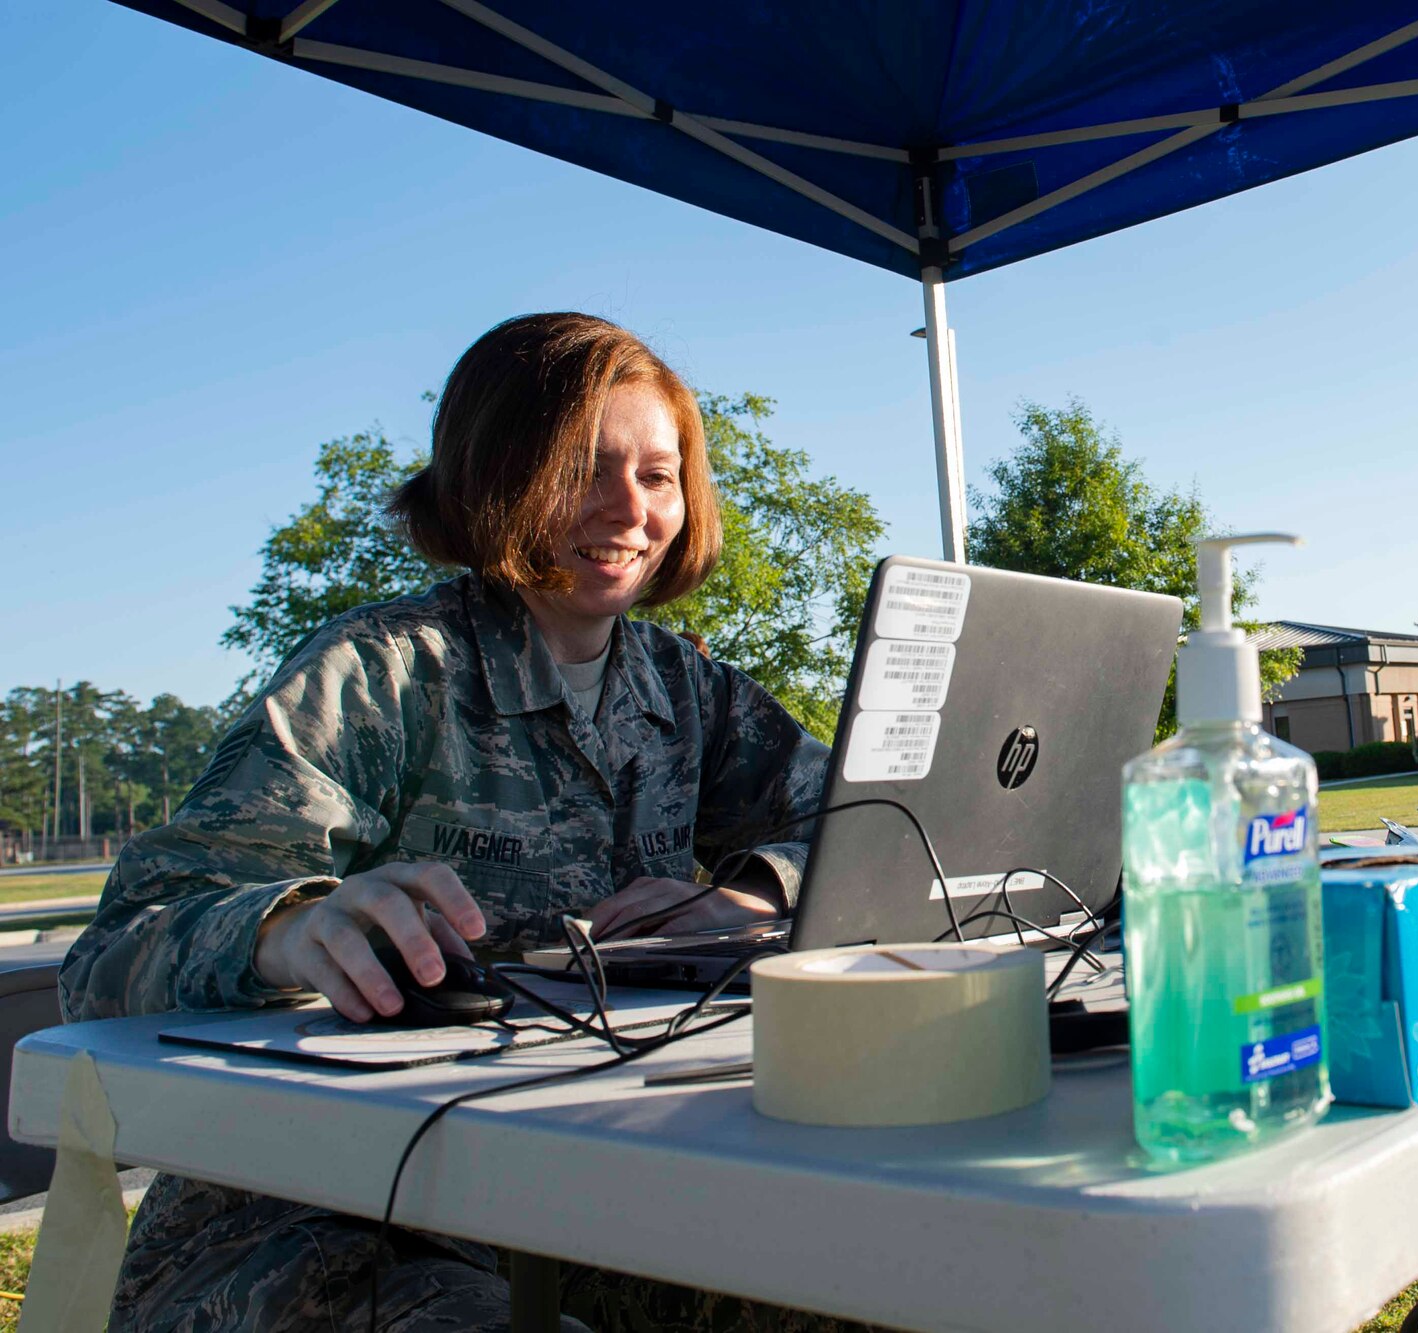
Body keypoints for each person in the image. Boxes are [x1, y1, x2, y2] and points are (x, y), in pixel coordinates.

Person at [60, 313, 877, 1332]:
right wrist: (291, 928)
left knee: (897, 1287)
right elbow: (115, 949)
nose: (629, 508)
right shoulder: (382, 673)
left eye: (658, 475)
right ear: (499, 475)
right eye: (588, 466)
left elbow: (872, 831)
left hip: (605, 1185)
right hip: (324, 1218)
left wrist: (746, 893)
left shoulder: (687, 690)